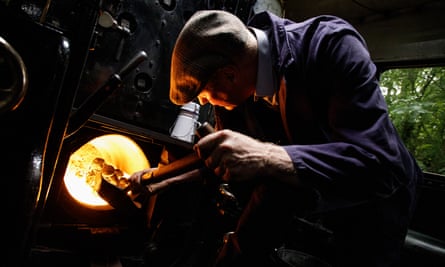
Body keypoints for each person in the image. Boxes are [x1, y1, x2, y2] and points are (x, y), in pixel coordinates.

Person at [133, 9, 424, 267]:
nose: (209, 103)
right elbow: (217, 159)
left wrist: (265, 156)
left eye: (206, 95)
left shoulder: (330, 44)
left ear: (229, 74)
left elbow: (382, 165)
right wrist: (159, 179)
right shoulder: (240, 93)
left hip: (375, 206)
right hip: (308, 201)